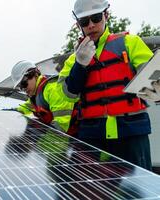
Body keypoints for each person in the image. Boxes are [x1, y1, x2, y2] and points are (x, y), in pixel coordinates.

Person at [58, 0, 154, 170]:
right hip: (93, 136)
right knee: (94, 192)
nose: (91, 25)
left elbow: (154, 78)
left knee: (139, 190)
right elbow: (67, 94)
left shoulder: (130, 43)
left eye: (96, 18)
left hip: (131, 133)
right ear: (78, 24)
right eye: (84, 21)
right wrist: (80, 65)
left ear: (106, 15)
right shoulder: (73, 60)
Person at [11, 60, 74, 132]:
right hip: (63, 138)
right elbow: (26, 107)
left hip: (77, 138)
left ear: (35, 74)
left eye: (23, 84)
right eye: (20, 87)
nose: (23, 89)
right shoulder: (35, 94)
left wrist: (40, 140)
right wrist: (8, 112)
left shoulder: (52, 89)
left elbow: (62, 124)